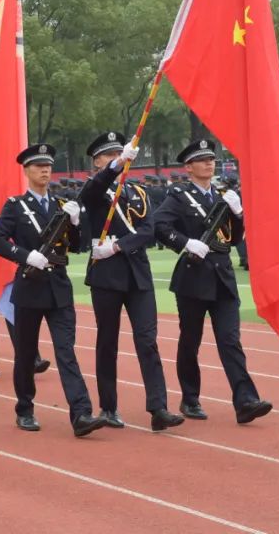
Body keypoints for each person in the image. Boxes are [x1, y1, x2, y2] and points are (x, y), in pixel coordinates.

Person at [0, 143, 105, 437]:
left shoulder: (61, 206)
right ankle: (24, 409)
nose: (45, 170)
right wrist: (25, 255)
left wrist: (77, 223)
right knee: (26, 354)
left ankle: (81, 413)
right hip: (29, 287)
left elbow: (77, 246)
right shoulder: (15, 205)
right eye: (38, 166)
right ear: (26, 170)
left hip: (58, 287)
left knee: (66, 352)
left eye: (48, 165)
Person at [153, 139, 272, 424]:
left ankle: (245, 401)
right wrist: (185, 243)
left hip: (222, 275)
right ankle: (190, 398)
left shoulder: (222, 197)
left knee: (230, 340)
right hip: (193, 277)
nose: (209, 163)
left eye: (211, 159)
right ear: (189, 167)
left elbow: (233, 238)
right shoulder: (179, 196)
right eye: (202, 159)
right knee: (191, 340)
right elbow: (159, 226)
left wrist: (239, 214)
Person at [79, 132, 184, 432]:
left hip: (137, 273)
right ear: (97, 161)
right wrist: (114, 168)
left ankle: (159, 407)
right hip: (106, 277)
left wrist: (117, 246)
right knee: (107, 342)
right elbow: (89, 195)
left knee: (147, 340)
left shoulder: (137, 192)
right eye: (109, 155)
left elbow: (150, 231)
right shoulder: (94, 187)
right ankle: (109, 407)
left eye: (119, 153)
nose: (116, 158)